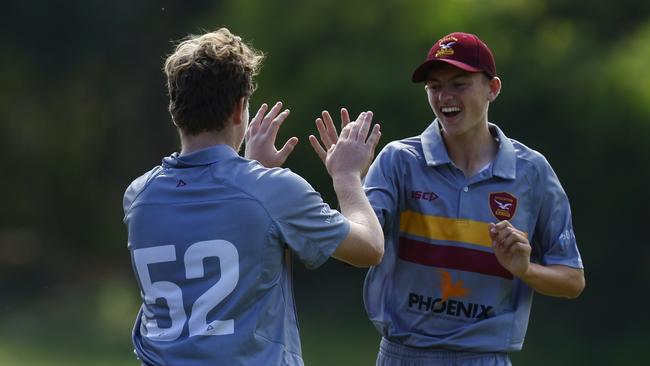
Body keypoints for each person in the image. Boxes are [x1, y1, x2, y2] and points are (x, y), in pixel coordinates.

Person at [310, 32, 585, 365]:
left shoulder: (533, 172)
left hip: (485, 358)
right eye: (434, 87)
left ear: (493, 89)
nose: (445, 97)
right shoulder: (399, 160)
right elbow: (359, 250)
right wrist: (347, 177)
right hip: (404, 356)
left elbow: (571, 280)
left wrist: (525, 270)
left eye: (459, 83)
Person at [122, 28, 384, 366]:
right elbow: (369, 248)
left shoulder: (139, 195)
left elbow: (219, 220)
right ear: (239, 108)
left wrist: (249, 169)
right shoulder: (273, 191)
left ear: (175, 110)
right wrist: (347, 177)